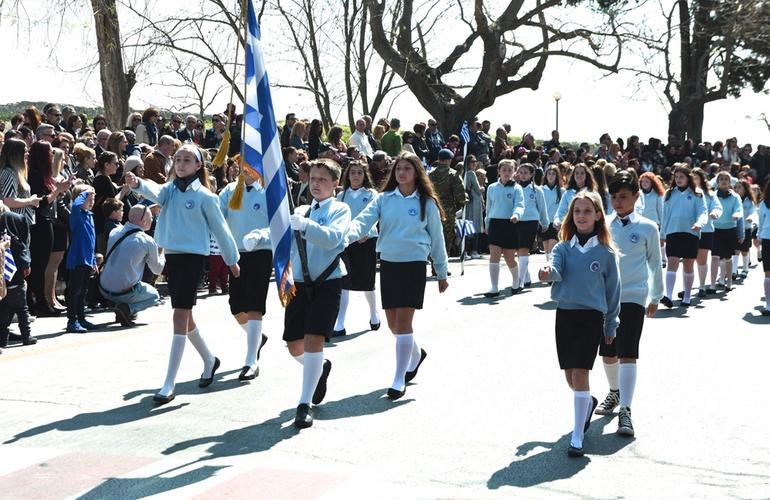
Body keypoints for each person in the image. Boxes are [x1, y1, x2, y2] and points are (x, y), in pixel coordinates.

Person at [124, 143, 241, 404]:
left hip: (193, 259)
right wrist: (137, 184)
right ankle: (210, 360)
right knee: (184, 317)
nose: (181, 164)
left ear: (199, 166)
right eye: (177, 159)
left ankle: (169, 383)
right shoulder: (169, 191)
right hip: (173, 258)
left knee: (179, 315)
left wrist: (232, 260)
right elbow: (153, 191)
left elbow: (221, 230)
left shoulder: (207, 197)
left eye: (187, 160)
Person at [346, 152, 448, 402]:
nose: (401, 173)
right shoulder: (383, 199)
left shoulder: (426, 203)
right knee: (393, 325)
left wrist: (442, 271)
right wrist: (344, 235)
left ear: (417, 173)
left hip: (414, 265)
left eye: (407, 169)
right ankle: (416, 353)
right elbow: (362, 222)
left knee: (403, 324)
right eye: (398, 168)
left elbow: (437, 238)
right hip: (389, 264)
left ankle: (398, 378)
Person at [538, 191, 621, 458]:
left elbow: (613, 292)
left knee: (581, 373)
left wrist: (611, 324)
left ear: (598, 215)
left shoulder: (606, 253)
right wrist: (548, 272)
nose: (581, 216)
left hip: (591, 318)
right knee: (570, 376)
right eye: (577, 212)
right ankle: (587, 402)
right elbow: (556, 267)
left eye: (587, 211)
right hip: (565, 314)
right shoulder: (562, 247)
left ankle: (577, 436)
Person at [595, 172, 663, 437]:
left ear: (636, 196)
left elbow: (655, 265)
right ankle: (614, 392)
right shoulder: (604, 225)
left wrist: (655, 296)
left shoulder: (648, 227)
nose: (618, 202)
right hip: (604, 299)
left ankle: (626, 410)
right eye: (613, 197)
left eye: (623, 197)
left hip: (634, 296)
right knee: (607, 352)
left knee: (628, 352)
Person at [283, 159, 351, 429]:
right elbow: (282, 236)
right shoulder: (301, 210)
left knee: (314, 340)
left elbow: (333, 239)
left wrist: (305, 226)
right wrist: (260, 237)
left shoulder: (340, 209)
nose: (317, 184)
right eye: (313, 179)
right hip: (299, 283)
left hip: (327, 282)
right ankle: (319, 368)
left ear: (335, 184)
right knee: (294, 345)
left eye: (323, 179)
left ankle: (304, 403)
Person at [221, 168, 273, 380]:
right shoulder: (230, 190)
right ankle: (257, 337)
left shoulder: (269, 192)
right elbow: (216, 214)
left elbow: (279, 223)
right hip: (236, 254)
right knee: (236, 306)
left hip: (260, 253)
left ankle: (251, 360)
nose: (247, 171)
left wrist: (260, 238)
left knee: (254, 305)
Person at [333, 160, 381, 337]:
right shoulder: (341, 195)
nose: (355, 176)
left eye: (359, 173)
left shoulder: (371, 194)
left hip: (366, 241)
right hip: (347, 242)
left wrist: (366, 232)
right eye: (353, 172)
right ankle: (340, 323)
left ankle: (374, 314)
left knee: (367, 282)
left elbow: (374, 214)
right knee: (345, 281)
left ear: (364, 175)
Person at [99, 204, 165, 326]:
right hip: (124, 292)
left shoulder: (114, 232)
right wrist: (161, 252)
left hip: (103, 288)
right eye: (150, 217)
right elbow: (157, 270)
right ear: (142, 221)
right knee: (154, 296)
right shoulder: (147, 241)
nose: (152, 220)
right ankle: (127, 309)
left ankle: (123, 308)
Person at [660, 165, 708, 307]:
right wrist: (662, 234)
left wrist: (700, 223)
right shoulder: (669, 194)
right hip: (673, 232)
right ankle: (668, 296)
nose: (679, 179)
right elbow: (665, 216)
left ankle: (687, 295)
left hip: (691, 233)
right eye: (676, 177)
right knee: (672, 263)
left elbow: (703, 212)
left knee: (688, 265)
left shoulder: (697, 194)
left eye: (682, 177)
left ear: (688, 178)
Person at [483, 159, 525, 297]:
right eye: (504, 170)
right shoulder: (492, 187)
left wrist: (516, 215)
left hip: (510, 223)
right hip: (495, 223)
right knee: (494, 254)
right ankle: (494, 288)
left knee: (509, 257)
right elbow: (488, 208)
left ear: (514, 172)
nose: (507, 173)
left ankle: (516, 282)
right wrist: (487, 223)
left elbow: (520, 204)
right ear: (499, 171)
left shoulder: (516, 188)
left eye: (510, 170)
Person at [0, 200, 35, 349]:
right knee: (22, 310)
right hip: (16, 281)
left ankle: (2, 341)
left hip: (5, 283)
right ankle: (26, 336)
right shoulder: (15, 242)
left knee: (4, 314)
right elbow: (22, 254)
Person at [65, 185, 99, 333]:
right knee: (75, 290)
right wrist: (85, 192)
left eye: (93, 199)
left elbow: (91, 241)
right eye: (88, 199)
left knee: (83, 290)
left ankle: (81, 317)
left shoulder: (89, 215)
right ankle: (72, 321)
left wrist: (93, 260)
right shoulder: (76, 213)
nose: (91, 202)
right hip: (78, 258)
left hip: (87, 259)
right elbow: (77, 203)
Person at [687, 168, 723, 297]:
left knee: (701, 259)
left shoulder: (709, 194)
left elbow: (718, 207)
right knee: (689, 260)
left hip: (706, 230)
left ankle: (702, 286)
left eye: (696, 178)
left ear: (701, 179)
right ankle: (688, 288)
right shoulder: (686, 193)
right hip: (688, 231)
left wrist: (715, 213)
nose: (693, 180)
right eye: (692, 178)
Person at [515, 163, 549, 288]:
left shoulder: (537, 190)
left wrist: (545, 223)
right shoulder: (514, 188)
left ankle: (519, 281)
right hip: (516, 221)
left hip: (531, 222)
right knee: (519, 250)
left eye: (526, 173)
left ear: (531, 174)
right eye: (521, 172)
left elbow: (542, 208)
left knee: (524, 248)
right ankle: (527, 276)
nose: (523, 175)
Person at [429, 149, 466, 256]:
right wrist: (465, 200)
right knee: (446, 236)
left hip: (433, 208)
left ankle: (434, 262)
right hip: (448, 210)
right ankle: (443, 263)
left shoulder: (430, 174)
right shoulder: (453, 174)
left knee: (434, 235)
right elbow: (460, 193)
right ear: (449, 160)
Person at [710, 171, 743, 293]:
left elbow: (739, 210)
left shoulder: (735, 197)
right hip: (715, 230)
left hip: (730, 230)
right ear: (717, 182)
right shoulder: (712, 195)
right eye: (721, 179)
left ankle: (729, 282)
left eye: (726, 179)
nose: (724, 181)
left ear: (730, 183)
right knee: (714, 257)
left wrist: (736, 214)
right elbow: (709, 208)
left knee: (728, 258)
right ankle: (712, 285)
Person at [554, 163, 597, 229]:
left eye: (582, 173)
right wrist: (557, 221)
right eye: (576, 173)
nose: (579, 175)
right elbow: (561, 211)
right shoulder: (567, 193)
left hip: (589, 228)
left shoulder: (593, 193)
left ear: (586, 175)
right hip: (571, 228)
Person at [735, 179, 758, 279]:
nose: (737, 189)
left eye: (740, 187)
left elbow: (753, 212)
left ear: (745, 188)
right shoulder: (734, 198)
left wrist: (751, 218)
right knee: (735, 249)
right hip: (734, 227)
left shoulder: (750, 200)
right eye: (736, 187)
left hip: (746, 228)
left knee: (745, 249)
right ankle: (734, 270)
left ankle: (745, 269)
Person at [541, 164, 564, 262]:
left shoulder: (562, 191)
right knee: (546, 251)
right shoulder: (541, 189)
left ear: (557, 176)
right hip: (544, 223)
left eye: (553, 174)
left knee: (552, 249)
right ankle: (549, 269)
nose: (551, 176)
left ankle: (551, 270)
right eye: (549, 174)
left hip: (555, 224)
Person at [464, 156, 484, 258]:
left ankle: (466, 251)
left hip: (469, 202)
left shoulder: (464, 173)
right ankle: (473, 251)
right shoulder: (471, 173)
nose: (475, 164)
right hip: (474, 202)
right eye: (472, 162)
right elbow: (477, 188)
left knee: (469, 225)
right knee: (474, 226)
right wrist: (482, 188)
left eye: (475, 162)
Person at [757, 181, 770, 315]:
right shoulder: (763, 204)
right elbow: (760, 223)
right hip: (767, 239)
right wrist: (758, 237)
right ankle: (768, 305)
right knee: (768, 273)